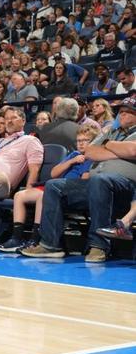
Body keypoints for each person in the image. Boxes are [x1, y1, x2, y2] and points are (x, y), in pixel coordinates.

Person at [21, 97, 136, 262]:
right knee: (53, 186)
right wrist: (119, 151)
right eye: (121, 111)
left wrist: (107, 144)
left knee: (100, 180)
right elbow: (89, 151)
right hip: (95, 184)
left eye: (128, 112)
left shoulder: (118, 135)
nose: (122, 115)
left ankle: (99, 246)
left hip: (125, 188)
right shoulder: (112, 131)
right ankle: (50, 245)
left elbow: (133, 151)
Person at [0, 125, 99, 252]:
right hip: (55, 185)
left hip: (68, 191)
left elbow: (83, 180)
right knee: (19, 195)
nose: (81, 143)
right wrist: (71, 161)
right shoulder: (74, 155)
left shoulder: (91, 158)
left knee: (43, 196)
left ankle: (35, 239)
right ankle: (16, 238)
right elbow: (54, 173)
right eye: (78, 140)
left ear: (94, 142)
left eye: (85, 140)